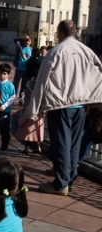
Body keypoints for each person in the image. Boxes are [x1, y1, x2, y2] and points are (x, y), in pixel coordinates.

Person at [20, 20, 102, 196]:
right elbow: (98, 72)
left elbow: (41, 81)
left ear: (60, 33)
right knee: (74, 144)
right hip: (80, 105)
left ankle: (61, 183)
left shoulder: (56, 52)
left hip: (60, 104)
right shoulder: (86, 51)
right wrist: (94, 98)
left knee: (62, 144)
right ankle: (69, 179)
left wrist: (34, 109)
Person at [12, 35, 32, 104]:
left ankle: (21, 99)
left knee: (24, 85)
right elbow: (15, 39)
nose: (27, 42)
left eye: (28, 41)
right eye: (26, 41)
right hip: (19, 68)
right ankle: (12, 98)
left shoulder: (31, 50)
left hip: (27, 70)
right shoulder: (20, 47)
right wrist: (23, 38)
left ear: (30, 42)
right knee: (15, 83)